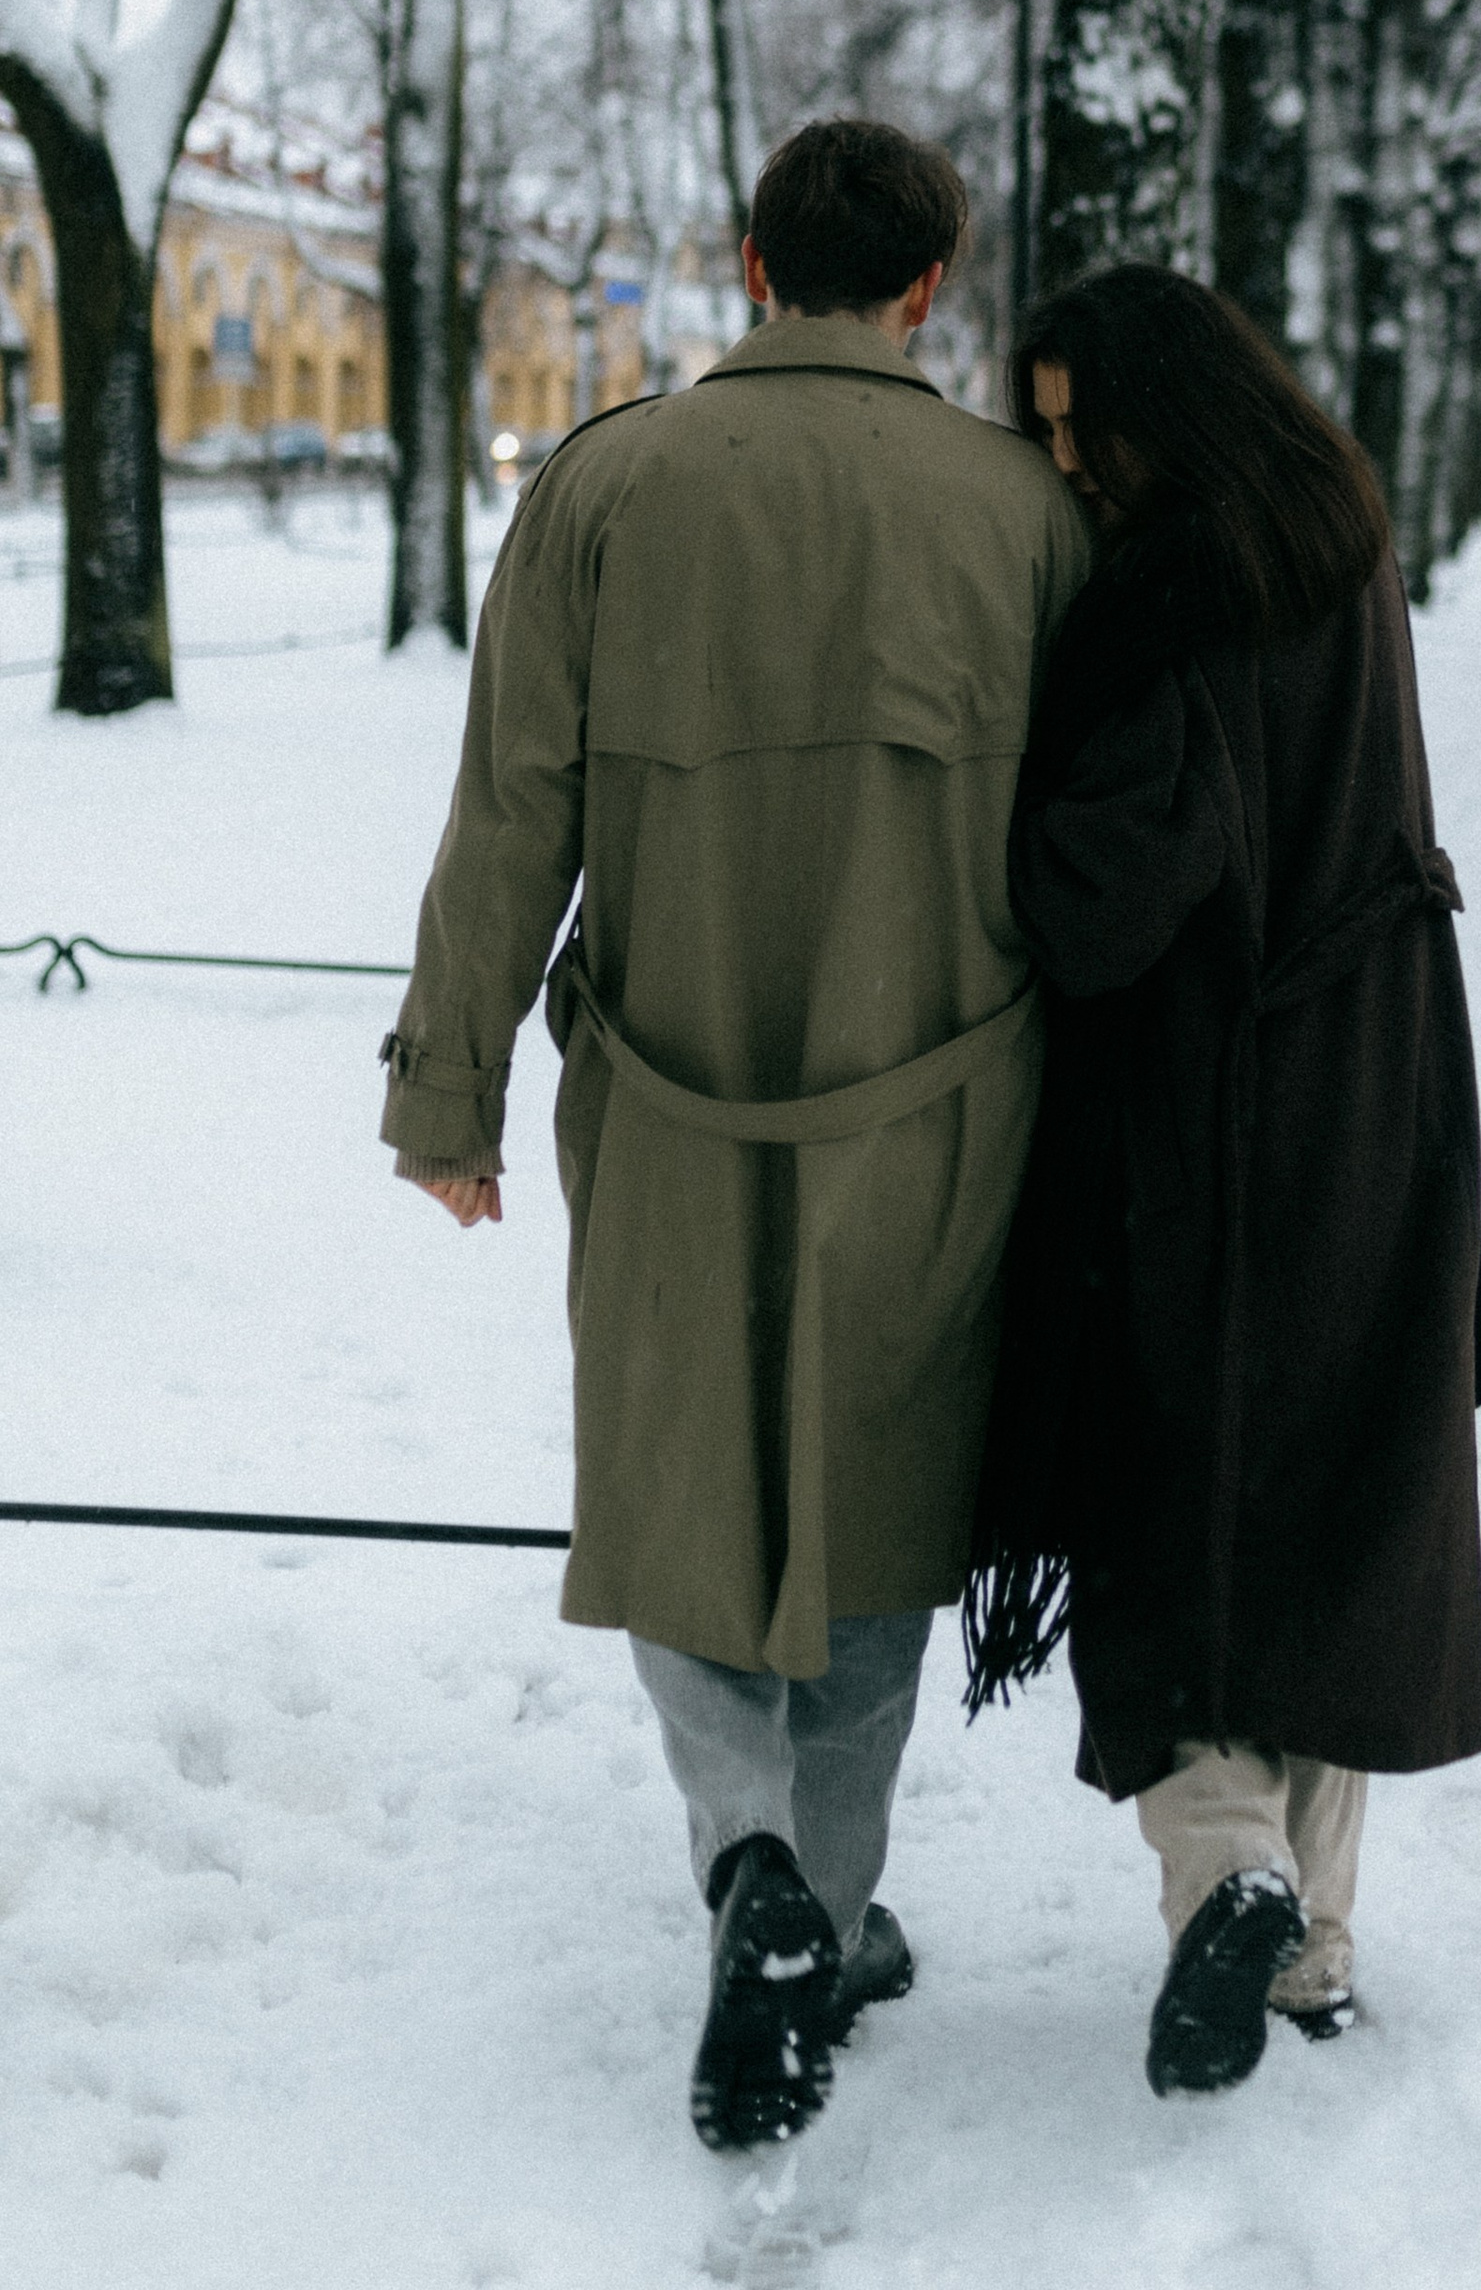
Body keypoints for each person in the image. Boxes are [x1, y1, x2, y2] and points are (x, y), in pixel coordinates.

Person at [378, 119, 1089, 2152]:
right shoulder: (1020, 513)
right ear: (929, 286)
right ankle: (830, 1904)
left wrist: (452, 1084)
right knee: (877, 1501)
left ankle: (747, 1871)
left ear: (749, 261)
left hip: (666, 1096)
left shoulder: (604, 482)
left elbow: (510, 807)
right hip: (945, 1094)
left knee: (683, 1478)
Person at [966, 262, 1481, 2099]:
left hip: (1219, 1118)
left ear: (1152, 421)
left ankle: (1230, 1873)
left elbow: (1116, 893)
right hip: (1393, 1084)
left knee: (1169, 1508)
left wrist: (1010, 839)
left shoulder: (1171, 596)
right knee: (1341, 1504)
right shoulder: (1337, 524)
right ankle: (1313, 1955)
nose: (1063, 466)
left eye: (1073, 429)